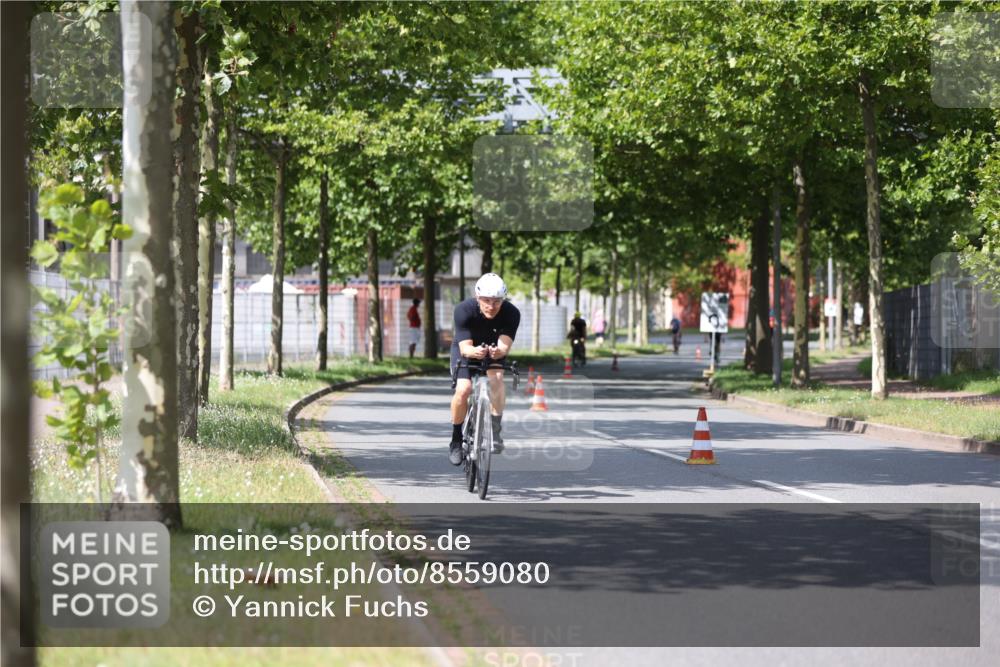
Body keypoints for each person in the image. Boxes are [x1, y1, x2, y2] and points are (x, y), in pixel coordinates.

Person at [448, 273, 520, 466]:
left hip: (493, 349)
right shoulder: (464, 310)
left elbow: (504, 347)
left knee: (496, 379)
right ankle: (456, 439)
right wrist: (475, 352)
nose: (491, 306)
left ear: (503, 300)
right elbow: (465, 348)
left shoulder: (512, 313)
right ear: (477, 298)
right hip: (467, 349)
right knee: (463, 389)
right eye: (486, 301)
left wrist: (497, 352)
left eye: (496, 301)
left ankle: (495, 431)